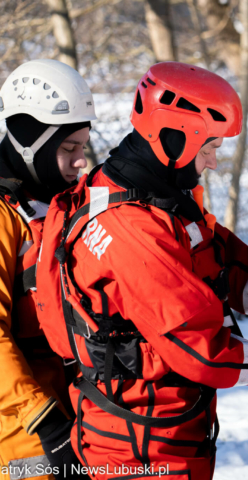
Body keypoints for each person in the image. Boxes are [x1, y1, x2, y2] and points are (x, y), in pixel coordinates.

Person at [33, 61, 248, 480]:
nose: (214, 163)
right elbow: (205, 354)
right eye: (211, 148)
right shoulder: (135, 231)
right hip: (140, 455)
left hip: (163, 438)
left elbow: (233, 272)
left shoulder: (147, 197)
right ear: (175, 138)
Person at [0, 59, 96, 480]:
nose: (80, 163)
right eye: (67, 149)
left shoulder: (67, 205)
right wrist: (44, 420)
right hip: (22, 441)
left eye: (83, 147)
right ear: (27, 143)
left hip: (82, 422)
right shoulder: (6, 219)